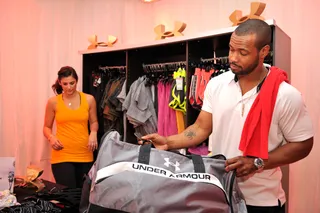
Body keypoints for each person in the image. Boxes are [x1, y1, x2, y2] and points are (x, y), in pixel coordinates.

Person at [141, 19, 313, 213]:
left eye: (243, 53)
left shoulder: (286, 95)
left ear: (264, 52)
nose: (233, 57)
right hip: (218, 193)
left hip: (262, 202)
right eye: (231, 50)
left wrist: (257, 163)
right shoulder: (216, 84)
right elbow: (201, 128)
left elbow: (303, 144)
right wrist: (168, 142)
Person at [43, 66, 98, 188]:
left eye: (72, 83)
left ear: (77, 81)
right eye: (65, 84)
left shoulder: (89, 99)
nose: (69, 87)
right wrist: (51, 138)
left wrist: (93, 133)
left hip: (85, 153)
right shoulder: (53, 102)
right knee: (68, 196)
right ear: (60, 83)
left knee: (83, 196)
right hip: (62, 154)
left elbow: (94, 122)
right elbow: (46, 127)